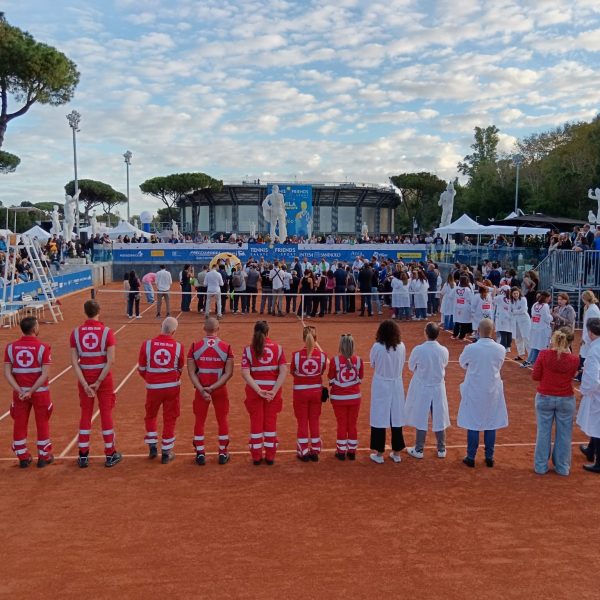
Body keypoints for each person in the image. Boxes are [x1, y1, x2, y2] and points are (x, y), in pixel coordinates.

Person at [70, 300, 121, 468]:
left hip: (84, 377)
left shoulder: (75, 333)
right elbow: (111, 360)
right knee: (106, 413)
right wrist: (98, 381)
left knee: (85, 414)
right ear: (99, 310)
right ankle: (110, 453)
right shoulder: (107, 332)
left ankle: (83, 455)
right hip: (103, 379)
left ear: (85, 312)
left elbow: (74, 362)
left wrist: (85, 383)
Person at [457, 318, 508, 468]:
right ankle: (489, 456)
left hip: (474, 388)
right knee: (490, 422)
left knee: (473, 422)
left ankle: (471, 456)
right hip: (492, 389)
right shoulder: (500, 349)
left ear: (478, 331)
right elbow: (499, 365)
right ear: (492, 331)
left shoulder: (471, 348)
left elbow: (462, 363)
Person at [4, 316, 53, 468]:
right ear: (34, 329)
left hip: (19, 394)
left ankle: (22, 456)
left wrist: (20, 390)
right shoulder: (43, 347)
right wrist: (31, 391)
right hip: (39, 392)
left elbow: (7, 373)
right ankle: (43, 456)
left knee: (19, 423)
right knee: (42, 422)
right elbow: (44, 374)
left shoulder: (10, 347)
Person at [531, 327, 579, 475]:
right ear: (570, 342)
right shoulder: (574, 359)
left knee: (543, 432)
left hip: (545, 397)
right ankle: (563, 467)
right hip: (565, 398)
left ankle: (540, 466)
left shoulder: (544, 354)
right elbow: (573, 375)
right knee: (564, 434)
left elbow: (535, 376)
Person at [187, 317, 234, 465]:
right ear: (218, 328)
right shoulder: (226, 347)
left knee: (199, 421)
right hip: (220, 389)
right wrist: (213, 387)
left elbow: (191, 372)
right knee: (222, 420)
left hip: (201, 390)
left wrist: (202, 389)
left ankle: (200, 453)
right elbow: (229, 373)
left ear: (204, 328)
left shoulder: (195, 346)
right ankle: (222, 453)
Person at [137, 317, 184, 463]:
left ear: (161, 326)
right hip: (172, 388)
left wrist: (151, 379)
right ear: (174, 331)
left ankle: (152, 446)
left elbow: (142, 369)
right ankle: (166, 452)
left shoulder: (147, 345)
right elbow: (180, 368)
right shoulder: (178, 346)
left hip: (153, 388)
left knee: (150, 415)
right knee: (170, 418)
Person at [241, 321, 288, 465]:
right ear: (268, 332)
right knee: (270, 423)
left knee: (256, 423)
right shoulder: (278, 349)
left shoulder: (248, 350)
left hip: (255, 393)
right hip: (273, 394)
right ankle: (270, 456)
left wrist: (258, 390)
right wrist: (273, 391)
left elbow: (245, 373)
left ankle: (256, 456)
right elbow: (284, 371)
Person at [404, 322, 450, 459]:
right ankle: (441, 448)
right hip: (437, 387)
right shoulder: (443, 350)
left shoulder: (419, 349)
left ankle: (419, 449)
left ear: (426, 333)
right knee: (439, 416)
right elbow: (444, 364)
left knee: (421, 416)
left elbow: (411, 366)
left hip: (423, 387)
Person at [368, 320, 406, 463]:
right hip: (396, 384)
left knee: (379, 417)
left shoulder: (377, 347)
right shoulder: (401, 346)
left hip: (381, 384)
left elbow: (372, 363)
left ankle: (379, 454)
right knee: (396, 417)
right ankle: (396, 453)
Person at [290, 325, 327, 462]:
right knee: (314, 421)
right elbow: (321, 372)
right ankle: (315, 449)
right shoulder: (323, 356)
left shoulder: (296, 355)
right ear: (316, 338)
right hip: (316, 392)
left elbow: (293, 371)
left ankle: (303, 450)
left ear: (303, 338)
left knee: (302, 422)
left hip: (300, 393)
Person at [328, 334, 364, 460]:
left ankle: (341, 451)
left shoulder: (334, 361)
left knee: (341, 424)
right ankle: (352, 451)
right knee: (352, 424)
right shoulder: (359, 360)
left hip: (339, 398)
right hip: (354, 398)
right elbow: (360, 378)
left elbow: (330, 378)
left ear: (340, 346)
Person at [577, 318, 600, 472]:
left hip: (597, 393)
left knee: (597, 425)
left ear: (590, 332)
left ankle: (599, 462)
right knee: (595, 424)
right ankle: (591, 450)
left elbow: (593, 376)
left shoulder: (594, 350)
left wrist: (584, 391)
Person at [521, 291, 552, 368]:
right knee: (541, 347)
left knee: (534, 345)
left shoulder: (535, 304)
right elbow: (547, 318)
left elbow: (533, 315)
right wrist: (552, 316)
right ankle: (535, 362)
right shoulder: (545, 306)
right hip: (542, 329)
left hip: (534, 328)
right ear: (547, 298)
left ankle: (529, 360)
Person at [577, 290, 600, 383]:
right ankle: (581, 375)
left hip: (590, 337)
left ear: (584, 299)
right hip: (589, 337)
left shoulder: (592, 310)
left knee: (587, 355)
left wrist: (585, 339)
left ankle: (582, 376)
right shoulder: (591, 308)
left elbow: (590, 327)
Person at [510, 287, 531, 362]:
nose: (515, 295)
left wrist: (514, 311)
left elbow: (523, 310)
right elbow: (510, 310)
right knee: (518, 338)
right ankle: (521, 354)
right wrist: (515, 311)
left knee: (526, 337)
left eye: (517, 293)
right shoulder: (511, 301)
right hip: (516, 322)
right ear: (511, 294)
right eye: (514, 293)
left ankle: (530, 356)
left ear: (519, 293)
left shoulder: (523, 299)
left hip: (524, 321)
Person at [451, 275, 473, 340]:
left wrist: (457, 299)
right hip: (465, 308)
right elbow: (471, 299)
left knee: (457, 321)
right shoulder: (467, 289)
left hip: (457, 307)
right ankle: (461, 336)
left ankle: (454, 335)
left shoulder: (456, 288)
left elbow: (450, 296)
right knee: (464, 322)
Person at [494, 285, 512, 352]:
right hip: (510, 317)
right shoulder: (512, 298)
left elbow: (493, 299)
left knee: (503, 333)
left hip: (502, 317)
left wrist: (495, 291)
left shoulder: (500, 297)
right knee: (509, 332)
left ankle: (503, 347)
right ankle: (508, 347)